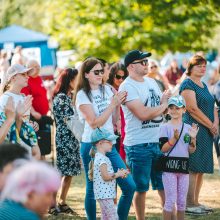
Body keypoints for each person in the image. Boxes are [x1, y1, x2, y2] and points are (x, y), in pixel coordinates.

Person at [74, 57, 135, 220]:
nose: (100, 74)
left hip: (110, 145)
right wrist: (113, 105)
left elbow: (114, 116)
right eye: (96, 72)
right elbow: (94, 123)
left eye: (102, 71)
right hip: (91, 146)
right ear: (86, 74)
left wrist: (118, 117)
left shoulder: (108, 89)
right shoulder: (82, 95)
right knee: (92, 188)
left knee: (129, 186)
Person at [119, 50, 171, 220]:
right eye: (142, 62)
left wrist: (163, 107)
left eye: (146, 61)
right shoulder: (127, 86)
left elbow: (158, 111)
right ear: (131, 66)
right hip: (138, 145)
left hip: (159, 142)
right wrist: (163, 105)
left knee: (164, 186)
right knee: (141, 189)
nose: (146, 64)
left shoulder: (152, 82)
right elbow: (142, 114)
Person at [179, 55, 218, 215]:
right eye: (199, 65)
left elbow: (213, 105)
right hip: (194, 129)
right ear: (191, 67)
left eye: (204, 66)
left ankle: (195, 201)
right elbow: (192, 109)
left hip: (207, 130)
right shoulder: (187, 83)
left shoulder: (203, 84)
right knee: (193, 167)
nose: (203, 68)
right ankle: (188, 204)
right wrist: (210, 125)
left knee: (201, 168)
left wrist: (215, 124)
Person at [159, 95, 199, 220]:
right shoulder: (164, 127)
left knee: (182, 202)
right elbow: (163, 148)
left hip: (183, 168)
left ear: (184, 110)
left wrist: (193, 138)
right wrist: (173, 139)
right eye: (171, 108)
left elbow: (191, 150)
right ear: (168, 110)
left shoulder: (188, 128)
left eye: (178, 108)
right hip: (169, 169)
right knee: (170, 201)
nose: (174, 111)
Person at [52, 68, 81, 214]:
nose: (78, 82)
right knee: (61, 172)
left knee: (69, 172)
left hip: (72, 138)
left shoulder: (70, 96)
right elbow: (69, 120)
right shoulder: (62, 98)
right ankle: (52, 204)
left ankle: (62, 202)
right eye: (76, 79)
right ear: (69, 80)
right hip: (65, 139)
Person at [0, 64, 41, 159]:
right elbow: (4, 129)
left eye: (27, 74)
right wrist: (18, 118)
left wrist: (32, 124)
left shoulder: (23, 97)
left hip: (26, 146)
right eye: (23, 74)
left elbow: (24, 120)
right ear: (13, 77)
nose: (27, 77)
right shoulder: (5, 100)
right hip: (12, 151)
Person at [88, 128, 129, 220]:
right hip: (105, 195)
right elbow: (106, 177)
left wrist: (119, 173)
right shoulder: (102, 159)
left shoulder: (100, 157)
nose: (112, 143)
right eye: (109, 141)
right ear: (100, 143)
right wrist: (118, 174)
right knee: (113, 217)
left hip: (104, 194)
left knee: (106, 217)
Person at [21, 60, 52, 159]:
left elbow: (43, 94)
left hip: (42, 115)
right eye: (35, 66)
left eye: (38, 66)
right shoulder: (27, 80)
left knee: (44, 141)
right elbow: (26, 98)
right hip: (33, 116)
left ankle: (42, 159)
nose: (38, 68)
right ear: (28, 69)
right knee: (36, 142)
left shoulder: (39, 78)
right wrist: (33, 112)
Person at [107, 62, 128, 160]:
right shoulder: (107, 89)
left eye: (123, 77)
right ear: (112, 75)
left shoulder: (126, 88)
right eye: (118, 76)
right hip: (112, 129)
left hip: (125, 126)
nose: (121, 80)